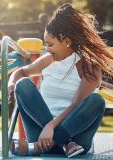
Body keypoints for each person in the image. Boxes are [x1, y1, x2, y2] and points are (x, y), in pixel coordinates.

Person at [8, 4, 113, 158]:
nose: (47, 48)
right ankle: (63, 143)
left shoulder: (89, 66)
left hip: (77, 137)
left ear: (66, 41)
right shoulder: (48, 60)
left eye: (50, 44)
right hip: (42, 133)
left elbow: (76, 105)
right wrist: (11, 84)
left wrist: (51, 126)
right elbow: (21, 72)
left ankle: (39, 147)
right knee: (22, 84)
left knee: (97, 101)